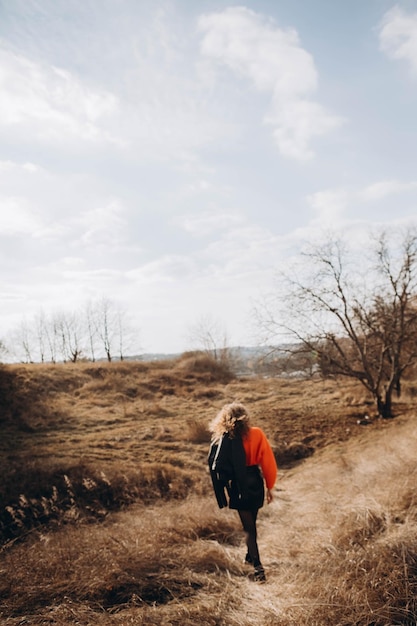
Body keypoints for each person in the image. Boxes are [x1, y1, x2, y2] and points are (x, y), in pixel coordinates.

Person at [208, 402, 277, 582]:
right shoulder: (257, 433)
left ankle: (258, 568)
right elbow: (268, 462)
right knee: (251, 525)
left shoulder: (225, 437)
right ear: (246, 416)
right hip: (255, 481)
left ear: (224, 419)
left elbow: (217, 465)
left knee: (249, 529)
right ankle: (250, 556)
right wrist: (270, 487)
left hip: (238, 484)